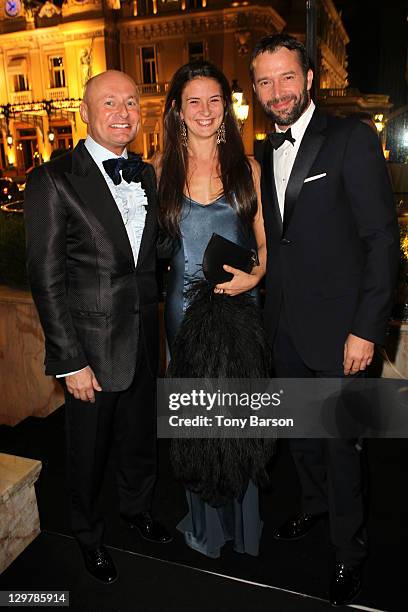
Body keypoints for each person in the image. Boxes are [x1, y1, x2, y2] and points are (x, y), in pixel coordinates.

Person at [251, 33, 399, 606]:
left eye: (287, 77)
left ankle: (349, 551)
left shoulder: (351, 139)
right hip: (285, 325)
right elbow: (279, 241)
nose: (277, 91)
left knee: (343, 446)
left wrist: (367, 328)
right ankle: (313, 509)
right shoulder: (265, 152)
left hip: (342, 332)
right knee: (302, 436)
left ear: (309, 78)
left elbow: (382, 241)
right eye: (265, 81)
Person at [24, 70, 171, 585]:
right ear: (84, 112)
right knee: (86, 452)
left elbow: (150, 256)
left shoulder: (147, 176)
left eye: (131, 102)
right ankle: (88, 535)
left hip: (144, 339)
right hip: (90, 349)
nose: (123, 112)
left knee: (139, 439)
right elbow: (46, 280)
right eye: (109, 102)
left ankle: (137, 509)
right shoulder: (53, 178)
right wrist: (70, 362)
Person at [156, 61, 272, 559]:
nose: (205, 111)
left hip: (239, 308)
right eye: (193, 102)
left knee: (239, 422)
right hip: (182, 312)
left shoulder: (250, 169)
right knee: (196, 424)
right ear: (178, 111)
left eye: (214, 100)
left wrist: (257, 275)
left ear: (227, 108)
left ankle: (244, 527)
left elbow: (266, 246)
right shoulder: (159, 170)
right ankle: (206, 526)